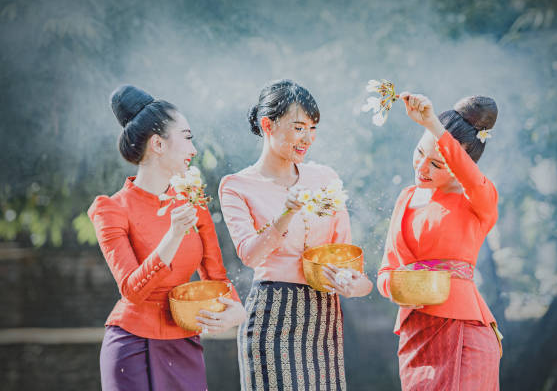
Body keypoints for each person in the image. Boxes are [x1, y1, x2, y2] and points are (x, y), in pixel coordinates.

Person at [88, 85, 246, 391]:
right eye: (187, 137)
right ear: (158, 144)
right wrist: (173, 235)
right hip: (131, 344)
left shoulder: (192, 200)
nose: (194, 149)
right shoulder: (111, 210)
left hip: (184, 340)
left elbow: (215, 274)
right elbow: (132, 290)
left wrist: (235, 309)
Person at [219, 79, 373, 390]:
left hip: (324, 317)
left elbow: (348, 260)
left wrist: (355, 285)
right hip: (272, 314)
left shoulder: (325, 177)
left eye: (313, 129)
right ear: (268, 125)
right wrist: (286, 214)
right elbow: (250, 255)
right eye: (299, 127)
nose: (308, 139)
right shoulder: (236, 186)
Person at [377, 92, 503, 390]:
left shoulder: (480, 199)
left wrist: (434, 124)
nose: (421, 168)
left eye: (436, 163)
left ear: (461, 163)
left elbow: (470, 178)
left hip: (464, 330)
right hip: (415, 331)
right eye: (420, 153)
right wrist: (398, 289)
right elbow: (386, 271)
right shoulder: (406, 199)